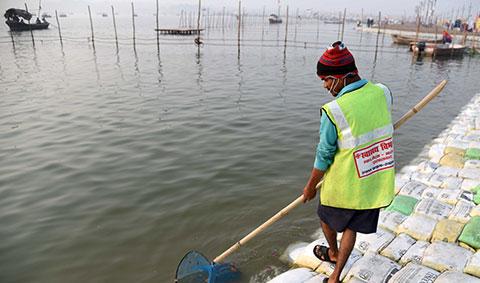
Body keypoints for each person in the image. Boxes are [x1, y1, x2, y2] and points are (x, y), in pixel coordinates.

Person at [302, 41, 395, 283]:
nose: (325, 85)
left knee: (324, 215)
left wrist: (311, 186)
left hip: (346, 183)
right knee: (351, 227)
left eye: (327, 79)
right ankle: (336, 273)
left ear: (342, 78)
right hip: (373, 177)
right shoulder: (382, 92)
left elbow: (324, 154)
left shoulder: (334, 110)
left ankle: (333, 254)